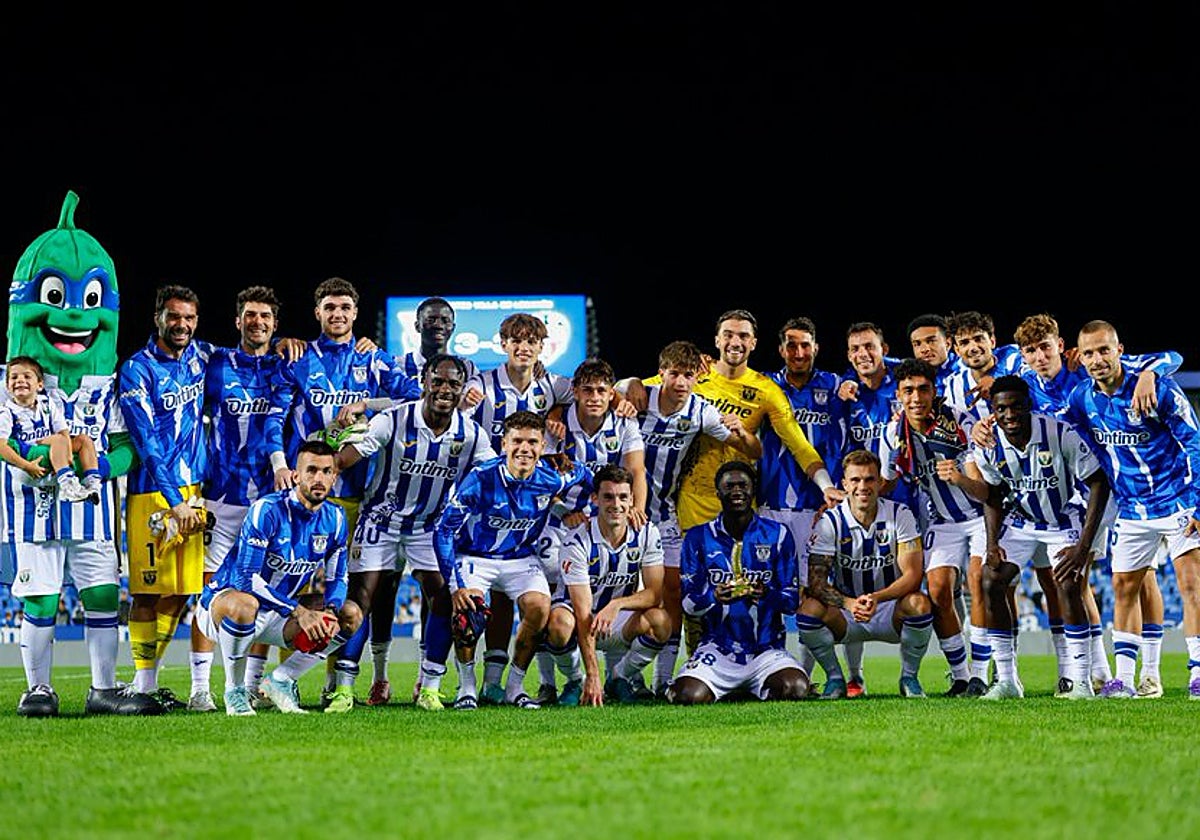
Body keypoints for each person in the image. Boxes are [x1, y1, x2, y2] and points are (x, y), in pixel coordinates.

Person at [3, 191, 160, 716]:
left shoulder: (108, 385)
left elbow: (125, 449)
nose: (73, 313)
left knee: (98, 599)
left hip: (94, 511)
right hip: (35, 511)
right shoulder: (16, 379)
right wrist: (41, 459)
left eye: (91, 301)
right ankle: (38, 689)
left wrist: (101, 469)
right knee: (42, 602)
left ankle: (101, 689)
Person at [982, 312, 1179, 695]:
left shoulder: (1083, 371)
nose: (1039, 357)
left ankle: (1149, 670)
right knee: (1079, 580)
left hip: (1120, 486)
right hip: (1078, 495)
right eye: (1031, 351)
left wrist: (1152, 374)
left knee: (1142, 579)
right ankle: (1100, 673)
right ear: (1023, 357)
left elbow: (1171, 357)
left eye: (1045, 347)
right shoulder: (1027, 391)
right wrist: (981, 422)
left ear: (1062, 347)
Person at [266, 276, 420, 711]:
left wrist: (366, 405)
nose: (337, 315)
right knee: (294, 583)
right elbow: (273, 420)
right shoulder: (298, 358)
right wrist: (281, 466)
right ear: (318, 312)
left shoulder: (374, 361)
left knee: (349, 592)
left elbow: (414, 401)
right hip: (307, 493)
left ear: (355, 313)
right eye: (329, 308)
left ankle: (336, 679)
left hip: (360, 497)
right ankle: (288, 679)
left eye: (345, 308)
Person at [332, 353, 495, 712]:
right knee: (361, 599)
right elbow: (350, 456)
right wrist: (328, 461)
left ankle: (430, 687)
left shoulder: (471, 434)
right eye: (438, 381)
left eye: (454, 383)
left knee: (445, 599)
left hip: (428, 527)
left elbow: (493, 475)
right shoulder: (393, 419)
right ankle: (344, 688)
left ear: (463, 387)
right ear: (424, 381)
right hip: (380, 522)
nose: (445, 389)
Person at [946, 375, 1110, 699]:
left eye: (1016, 406)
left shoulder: (1058, 433)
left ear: (1028, 405)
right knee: (990, 580)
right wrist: (992, 545)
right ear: (992, 411)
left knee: (1066, 582)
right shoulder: (989, 445)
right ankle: (1007, 680)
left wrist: (1082, 547)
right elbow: (993, 495)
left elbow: (1098, 482)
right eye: (1001, 408)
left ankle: (1080, 681)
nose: (1009, 415)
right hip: (1021, 522)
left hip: (1063, 518)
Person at [1063, 320, 1200, 700]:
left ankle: (1197, 674)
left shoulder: (1159, 389)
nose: (1097, 359)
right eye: (1089, 353)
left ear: (1120, 350)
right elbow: (1063, 433)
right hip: (1132, 508)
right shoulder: (1081, 399)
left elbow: (1194, 441)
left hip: (1178, 501)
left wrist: (1199, 501)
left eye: (1104, 350)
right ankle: (1122, 680)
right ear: (1079, 356)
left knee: (1192, 586)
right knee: (1124, 588)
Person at [618, 339, 761, 696]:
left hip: (663, 514)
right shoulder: (639, 397)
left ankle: (662, 678)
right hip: (619, 513)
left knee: (672, 591)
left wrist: (743, 432)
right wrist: (627, 383)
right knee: (611, 587)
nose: (681, 382)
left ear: (698, 377)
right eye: (674, 374)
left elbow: (751, 449)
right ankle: (605, 675)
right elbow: (614, 388)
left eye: (688, 375)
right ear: (661, 373)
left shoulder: (702, 412)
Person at [434, 410, 591, 710]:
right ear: (503, 443)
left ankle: (514, 688)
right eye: (517, 441)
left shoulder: (552, 477)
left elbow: (586, 475)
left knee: (539, 608)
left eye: (532, 442)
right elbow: (444, 531)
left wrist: (583, 505)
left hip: (520, 558)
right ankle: (467, 688)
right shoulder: (479, 479)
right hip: (476, 557)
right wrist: (456, 586)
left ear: (543, 446)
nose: (524, 448)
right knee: (468, 615)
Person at [187, 286, 298, 712]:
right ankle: (201, 689)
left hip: (270, 500)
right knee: (208, 592)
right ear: (238, 321)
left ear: (275, 323)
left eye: (265, 317)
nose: (258, 322)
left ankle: (252, 686)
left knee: (261, 593)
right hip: (221, 498)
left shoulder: (286, 366)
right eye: (250, 315)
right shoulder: (215, 363)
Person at [195, 440, 361, 715]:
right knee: (246, 604)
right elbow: (246, 579)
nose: (318, 478)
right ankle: (234, 691)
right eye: (311, 470)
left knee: (349, 614)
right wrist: (298, 611)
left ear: (335, 476)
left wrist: (329, 611)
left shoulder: (336, 518)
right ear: (296, 475)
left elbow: (338, 577)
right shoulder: (267, 510)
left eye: (326, 471)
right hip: (223, 607)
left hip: (279, 614)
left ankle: (282, 679)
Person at [462, 312, 575, 704]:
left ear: (542, 348)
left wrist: (560, 410)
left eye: (531, 341)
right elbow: (459, 404)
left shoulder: (553, 385)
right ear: (503, 345)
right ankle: (468, 684)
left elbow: (601, 391)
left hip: (531, 506)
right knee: (482, 602)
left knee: (528, 600)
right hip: (482, 501)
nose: (524, 347)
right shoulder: (482, 383)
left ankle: (511, 684)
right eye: (516, 340)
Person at [118, 284, 214, 710]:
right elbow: (147, 441)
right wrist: (174, 500)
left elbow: (252, 354)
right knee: (147, 591)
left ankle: (147, 681)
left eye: (189, 318)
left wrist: (291, 344)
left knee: (180, 592)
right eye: (174, 316)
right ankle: (141, 686)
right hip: (152, 494)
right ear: (158, 317)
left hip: (194, 491)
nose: (182, 325)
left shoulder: (202, 356)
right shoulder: (137, 370)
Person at [381, 295, 480, 704]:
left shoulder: (472, 373)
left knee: (436, 594)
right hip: (387, 503)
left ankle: (427, 678)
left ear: (453, 327)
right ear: (417, 324)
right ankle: (380, 675)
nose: (437, 324)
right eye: (430, 318)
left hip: (438, 513)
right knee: (379, 592)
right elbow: (384, 409)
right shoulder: (389, 363)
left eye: (444, 319)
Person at [531, 357, 647, 703]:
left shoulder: (624, 422)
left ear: (611, 393)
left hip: (610, 517)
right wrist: (564, 510)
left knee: (618, 588)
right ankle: (553, 681)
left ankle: (620, 677)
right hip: (561, 522)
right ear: (575, 394)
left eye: (601, 390)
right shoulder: (558, 425)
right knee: (551, 600)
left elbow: (636, 470)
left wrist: (636, 510)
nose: (594, 397)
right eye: (587, 390)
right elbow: (541, 477)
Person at [878, 357, 983, 696]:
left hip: (980, 516)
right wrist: (849, 502)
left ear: (934, 391)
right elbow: (886, 483)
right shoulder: (892, 433)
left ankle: (985, 674)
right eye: (908, 390)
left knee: (981, 584)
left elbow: (983, 485)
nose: (916, 398)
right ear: (898, 394)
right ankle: (962, 675)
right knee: (938, 590)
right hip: (941, 521)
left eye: (923, 389)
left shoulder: (958, 421)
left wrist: (960, 477)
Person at [796, 449, 935, 699]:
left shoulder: (899, 514)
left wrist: (876, 598)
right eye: (856, 480)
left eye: (870, 479)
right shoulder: (830, 522)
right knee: (808, 610)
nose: (863, 486)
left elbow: (913, 575)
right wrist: (850, 603)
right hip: (847, 613)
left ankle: (909, 678)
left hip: (890, 608)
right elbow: (816, 583)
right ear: (844, 484)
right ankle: (835, 679)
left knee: (919, 603)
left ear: (881, 482)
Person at [670, 460, 808, 704]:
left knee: (795, 688)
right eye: (729, 486)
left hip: (765, 650)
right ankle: (727, 686)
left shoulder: (779, 534)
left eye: (742, 485)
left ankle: (748, 686)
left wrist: (766, 594)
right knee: (687, 696)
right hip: (716, 649)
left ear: (753, 489)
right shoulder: (697, 537)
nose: (736, 491)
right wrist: (714, 597)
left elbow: (791, 602)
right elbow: (688, 604)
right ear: (718, 492)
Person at [756, 317, 846, 690]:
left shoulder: (837, 385)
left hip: (817, 509)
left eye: (805, 345)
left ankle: (819, 675)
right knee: (768, 592)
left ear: (816, 348)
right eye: (791, 345)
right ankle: (768, 667)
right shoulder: (762, 386)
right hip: (770, 507)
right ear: (780, 350)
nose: (798, 352)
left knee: (816, 593)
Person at [545, 464, 669, 705]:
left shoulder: (646, 533)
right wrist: (593, 674)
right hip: (579, 619)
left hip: (615, 618)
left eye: (623, 497)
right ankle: (576, 680)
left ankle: (619, 677)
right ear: (594, 499)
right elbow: (582, 615)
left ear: (632, 499)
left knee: (661, 622)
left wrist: (616, 604)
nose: (616, 504)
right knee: (559, 623)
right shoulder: (577, 541)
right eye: (608, 497)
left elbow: (654, 594)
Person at [0, 356, 100, 504]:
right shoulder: (6, 412)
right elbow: (1, 446)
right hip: (29, 457)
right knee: (58, 440)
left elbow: (63, 430)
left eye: (27, 376)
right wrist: (26, 466)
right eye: (14, 377)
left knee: (83, 440)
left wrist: (67, 456)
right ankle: (67, 486)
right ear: (8, 387)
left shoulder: (46, 403)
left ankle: (92, 483)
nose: (20, 380)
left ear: (40, 385)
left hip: (53, 448)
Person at [906, 313, 963, 394]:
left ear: (947, 343)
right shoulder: (909, 376)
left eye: (931, 341)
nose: (924, 349)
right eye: (917, 344)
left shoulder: (966, 368)